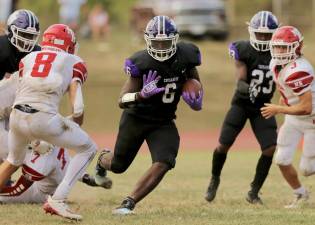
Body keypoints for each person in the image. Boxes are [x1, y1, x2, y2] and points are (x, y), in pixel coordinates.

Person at [94, 15, 203, 215]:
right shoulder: (141, 62)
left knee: (165, 160)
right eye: (156, 42)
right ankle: (102, 159)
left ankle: (129, 202)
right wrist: (141, 94)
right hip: (136, 118)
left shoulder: (187, 56)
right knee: (118, 166)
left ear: (175, 40)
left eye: (165, 42)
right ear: (148, 40)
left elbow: (195, 83)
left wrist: (197, 101)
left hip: (163, 121)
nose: (161, 47)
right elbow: (121, 100)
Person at [0, 24, 97, 221]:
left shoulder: (27, 58)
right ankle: (58, 200)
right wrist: (74, 122)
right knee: (88, 148)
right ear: (69, 44)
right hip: (43, 117)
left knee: (12, 160)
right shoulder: (74, 61)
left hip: (17, 116)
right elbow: (77, 108)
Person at [205, 11, 279, 204]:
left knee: (270, 147)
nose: (263, 38)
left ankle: (254, 192)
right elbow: (240, 81)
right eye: (259, 34)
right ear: (251, 32)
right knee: (223, 145)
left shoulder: (280, 52)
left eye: (267, 34)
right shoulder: (244, 49)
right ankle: (214, 178)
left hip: (263, 106)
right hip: (242, 103)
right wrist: (249, 89)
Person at [261, 26, 314, 208]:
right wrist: (281, 106)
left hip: (312, 121)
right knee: (281, 159)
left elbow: (307, 107)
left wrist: (278, 109)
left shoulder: (299, 70)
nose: (280, 51)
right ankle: (301, 194)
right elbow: (284, 91)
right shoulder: (275, 64)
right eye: (277, 47)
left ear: (297, 47)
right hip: (293, 118)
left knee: (308, 169)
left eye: (285, 47)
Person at [0, 143, 112, 204]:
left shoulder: (41, 163)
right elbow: (70, 166)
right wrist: (89, 179)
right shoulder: (55, 142)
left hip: (39, 193)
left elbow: (17, 191)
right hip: (51, 188)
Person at [0, 9, 40, 80]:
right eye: (23, 34)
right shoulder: (2, 46)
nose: (27, 40)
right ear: (12, 31)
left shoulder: (36, 52)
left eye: (30, 35)